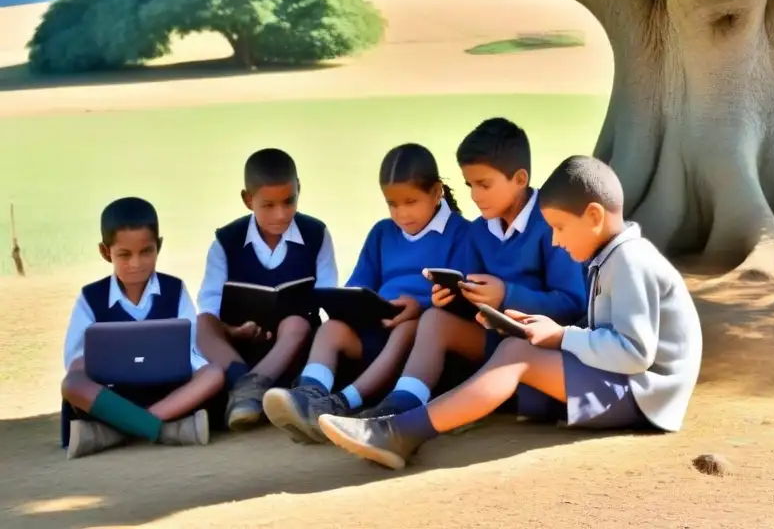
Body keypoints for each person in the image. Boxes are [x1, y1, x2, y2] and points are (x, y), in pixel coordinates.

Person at [318, 155, 704, 469]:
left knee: (517, 355)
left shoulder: (631, 261)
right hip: (627, 383)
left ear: (593, 216)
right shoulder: (614, 255)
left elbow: (635, 353)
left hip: (647, 396)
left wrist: (562, 336)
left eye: (558, 227)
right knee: (516, 348)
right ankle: (401, 424)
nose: (553, 238)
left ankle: (401, 433)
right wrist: (542, 329)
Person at [357, 118, 586, 419]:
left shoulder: (552, 223)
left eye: (484, 184)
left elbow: (572, 303)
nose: (475, 195)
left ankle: (407, 416)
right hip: (490, 339)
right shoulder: (478, 231)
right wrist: (450, 298)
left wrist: (507, 294)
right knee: (436, 319)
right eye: (469, 185)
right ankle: (401, 406)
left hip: (538, 347)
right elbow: (468, 300)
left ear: (519, 179)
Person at [262, 143, 471, 442]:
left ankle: (342, 404)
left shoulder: (461, 233)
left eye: (410, 201)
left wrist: (421, 305)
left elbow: (458, 298)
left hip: (421, 343)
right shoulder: (382, 233)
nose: (401, 213)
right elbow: (358, 285)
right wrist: (353, 304)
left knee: (408, 326)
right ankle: (309, 397)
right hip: (376, 330)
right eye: (392, 204)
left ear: (437, 192)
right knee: (332, 329)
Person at [60, 197, 225, 460]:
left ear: (158, 247)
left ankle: (116, 432)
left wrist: (197, 369)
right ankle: (166, 430)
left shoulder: (175, 290)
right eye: (124, 254)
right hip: (111, 396)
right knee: (72, 383)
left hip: (168, 393)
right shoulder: (90, 298)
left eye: (146, 251)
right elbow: (76, 362)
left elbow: (192, 351)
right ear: (106, 252)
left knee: (214, 373)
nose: (136, 263)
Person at [195, 147, 339, 431]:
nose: (281, 214)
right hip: (238, 350)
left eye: (289, 201)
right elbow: (210, 306)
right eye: (268, 205)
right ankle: (244, 384)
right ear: (248, 200)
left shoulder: (316, 234)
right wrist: (233, 331)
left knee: (296, 323)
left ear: (299, 189)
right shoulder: (226, 242)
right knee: (201, 323)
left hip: (294, 346)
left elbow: (329, 297)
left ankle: (247, 393)